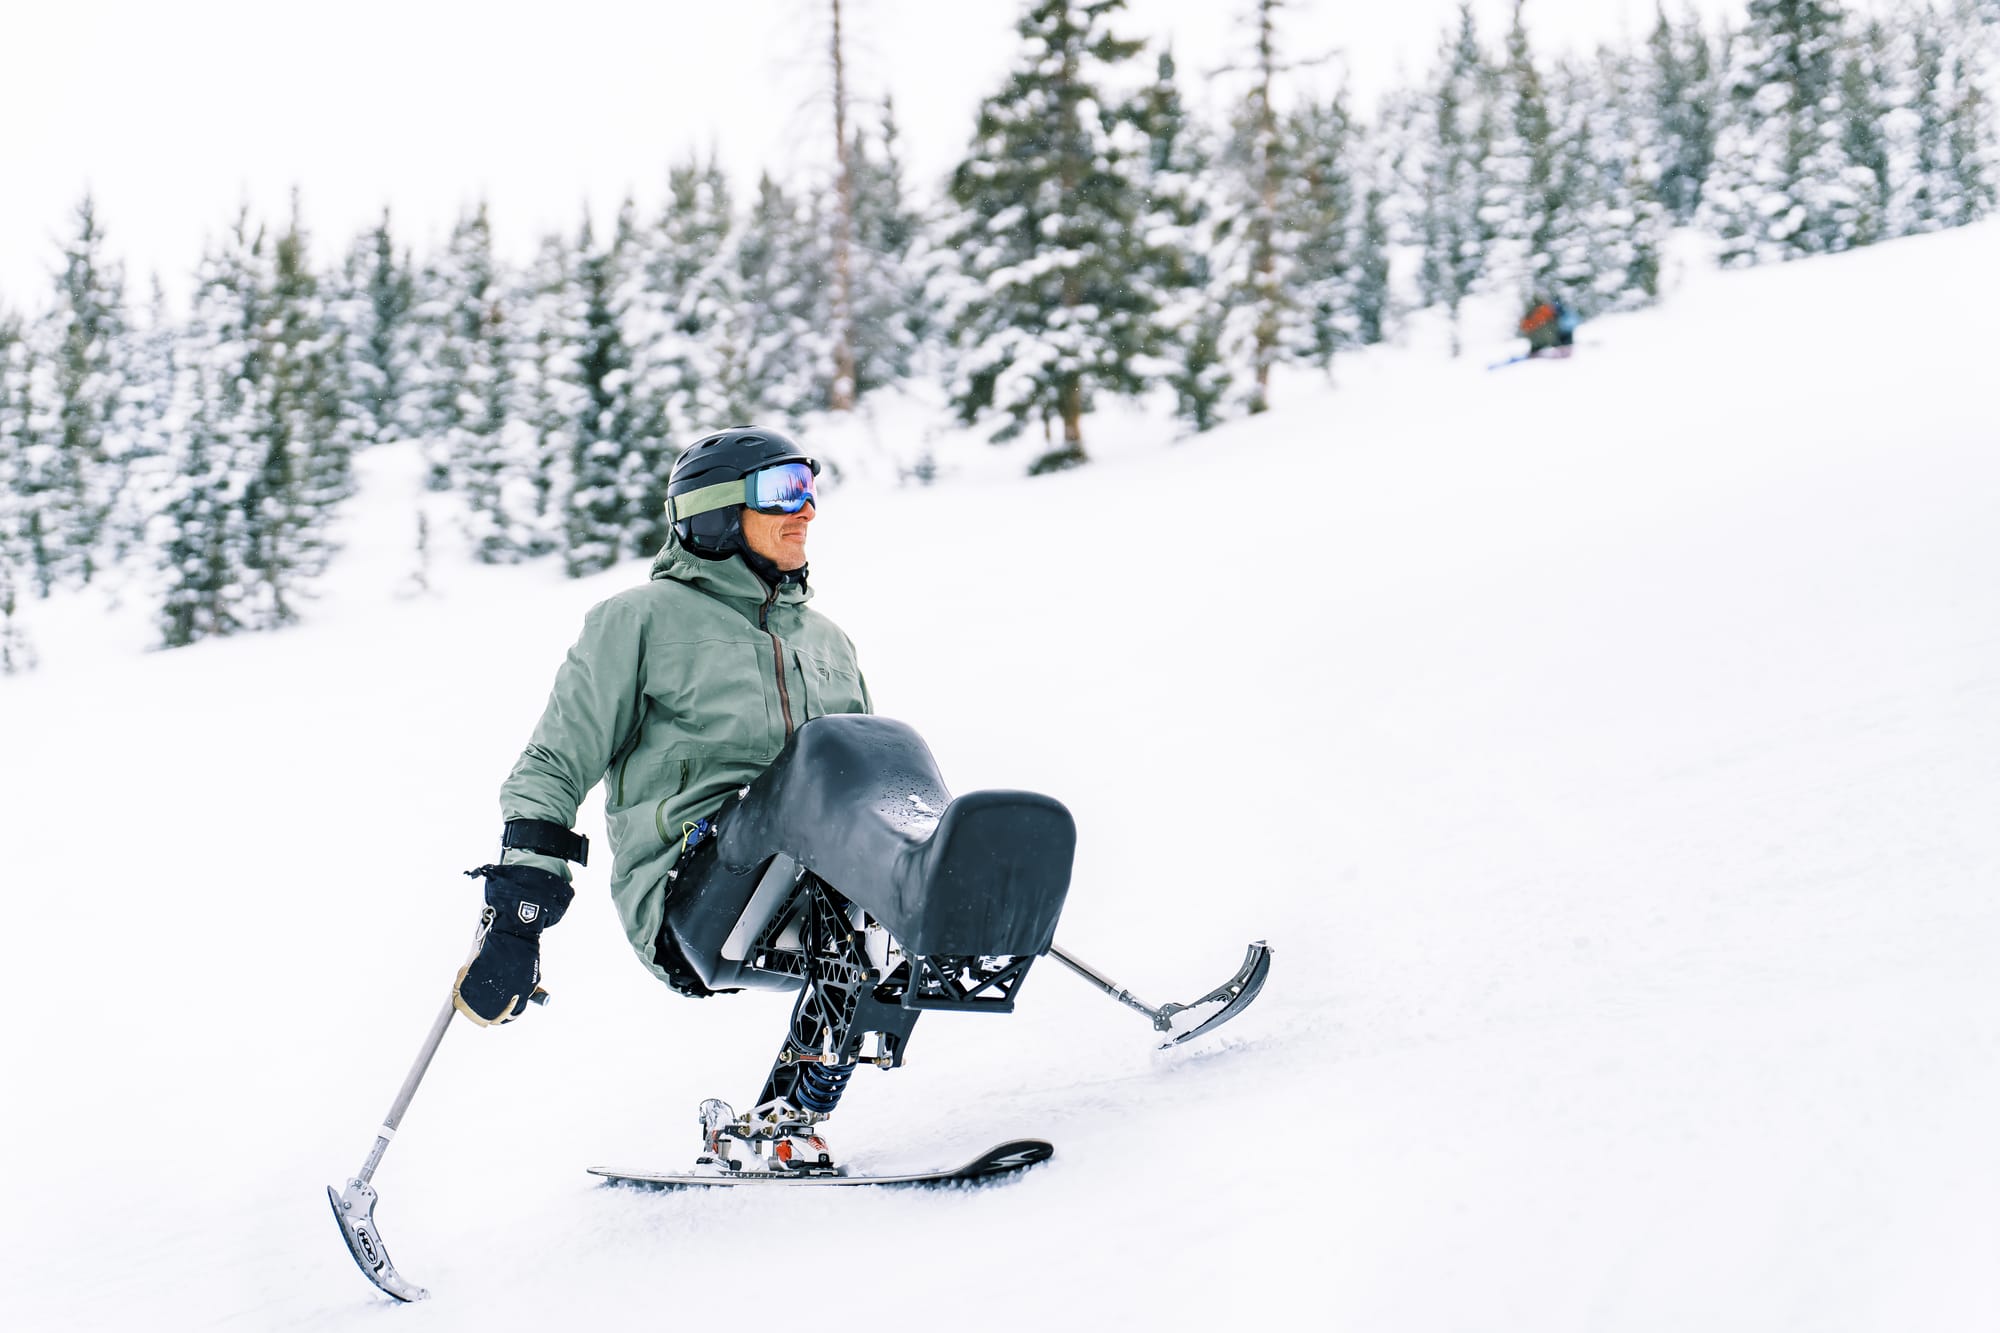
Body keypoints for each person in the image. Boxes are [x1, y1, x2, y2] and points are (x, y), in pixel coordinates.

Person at [451, 425, 872, 1170]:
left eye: (811, 488)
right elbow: (556, 758)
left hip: (815, 883)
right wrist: (517, 915)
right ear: (714, 512)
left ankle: (786, 1115)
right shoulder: (641, 620)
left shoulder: (829, 641)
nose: (806, 509)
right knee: (820, 776)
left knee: (884, 819)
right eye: (783, 490)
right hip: (694, 888)